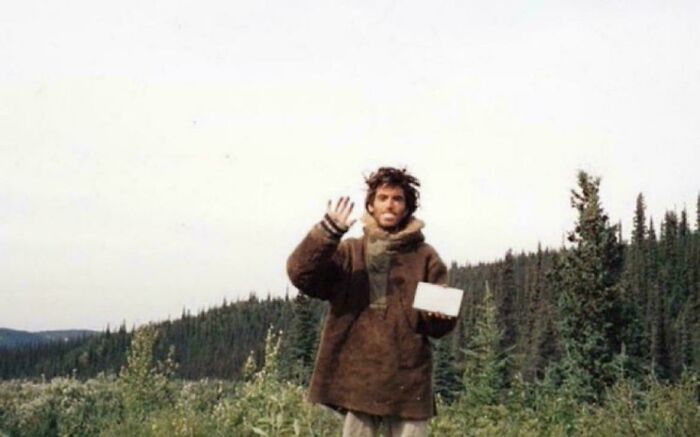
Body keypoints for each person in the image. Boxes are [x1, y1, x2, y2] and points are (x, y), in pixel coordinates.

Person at [286, 166, 457, 437]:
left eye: (397, 199)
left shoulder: (425, 257)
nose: (390, 204)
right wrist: (327, 233)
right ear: (371, 205)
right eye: (383, 198)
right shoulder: (350, 253)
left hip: (408, 382)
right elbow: (301, 274)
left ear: (407, 207)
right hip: (359, 383)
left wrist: (441, 315)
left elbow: (437, 326)